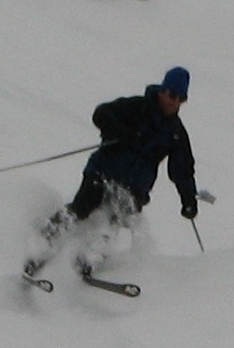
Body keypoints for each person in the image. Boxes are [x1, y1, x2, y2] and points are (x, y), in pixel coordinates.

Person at [25, 66, 199, 277]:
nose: (175, 102)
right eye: (172, 94)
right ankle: (43, 242)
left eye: (181, 98)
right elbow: (101, 114)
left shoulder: (176, 133)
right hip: (104, 170)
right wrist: (121, 132)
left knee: (118, 220)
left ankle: (87, 261)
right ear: (162, 90)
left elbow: (182, 169)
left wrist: (188, 199)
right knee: (82, 207)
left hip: (136, 186)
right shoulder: (137, 107)